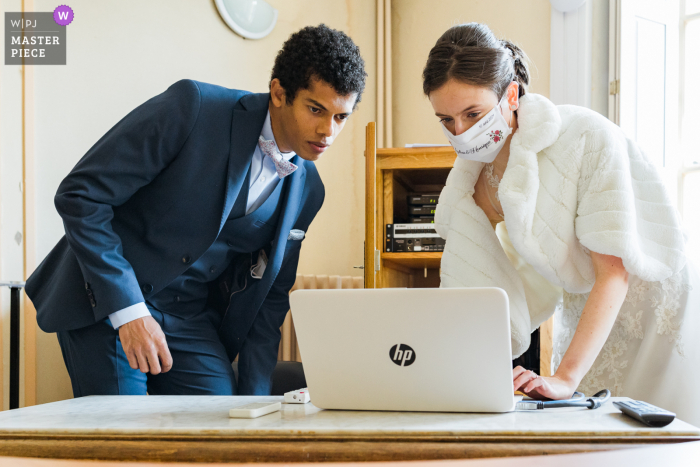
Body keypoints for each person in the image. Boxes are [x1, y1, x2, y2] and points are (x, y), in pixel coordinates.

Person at [25, 24, 366, 396]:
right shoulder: (194, 108)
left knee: (222, 429)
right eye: (316, 110)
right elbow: (81, 195)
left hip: (190, 318)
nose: (328, 132)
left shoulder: (309, 189)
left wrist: (258, 408)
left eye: (340, 117)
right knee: (124, 438)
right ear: (279, 92)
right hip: (108, 303)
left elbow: (268, 303)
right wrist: (129, 312)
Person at [423, 23, 700, 425]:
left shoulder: (584, 136)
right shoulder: (477, 181)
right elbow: (474, 270)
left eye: (473, 114)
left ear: (512, 94)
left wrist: (566, 377)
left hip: (655, 306)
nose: (461, 133)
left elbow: (614, 272)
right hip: (588, 308)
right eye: (446, 120)